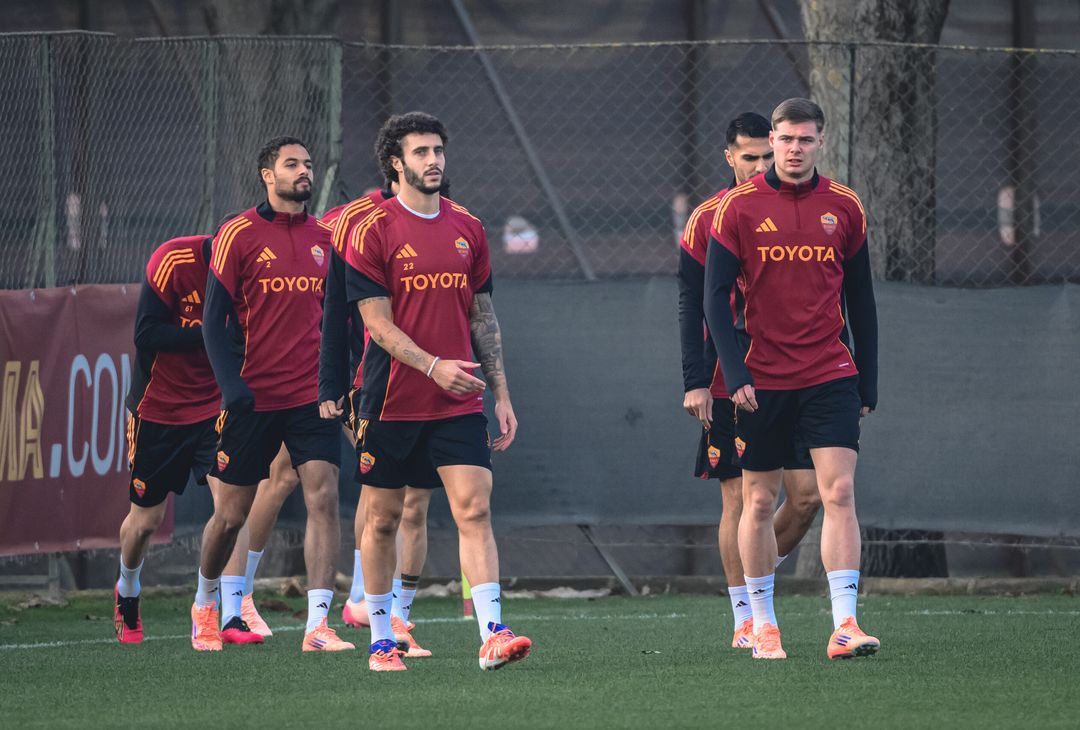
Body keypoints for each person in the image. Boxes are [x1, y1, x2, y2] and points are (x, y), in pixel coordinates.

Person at [344, 111, 531, 671]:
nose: (434, 161)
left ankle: (493, 632)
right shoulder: (371, 229)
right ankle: (381, 639)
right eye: (421, 152)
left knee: (475, 509)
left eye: (438, 150)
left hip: (459, 399)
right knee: (381, 519)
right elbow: (376, 324)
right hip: (389, 398)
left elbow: (483, 316)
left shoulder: (468, 227)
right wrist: (432, 367)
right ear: (395, 163)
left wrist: (500, 392)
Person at [704, 98, 879, 661]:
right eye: (786, 139)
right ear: (772, 141)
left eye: (806, 140)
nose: (795, 149)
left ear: (820, 142)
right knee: (758, 501)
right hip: (763, 379)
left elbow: (862, 300)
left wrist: (868, 380)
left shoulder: (845, 206)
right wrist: (735, 376)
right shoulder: (738, 208)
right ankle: (762, 624)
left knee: (840, 492)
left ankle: (845, 624)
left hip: (830, 373)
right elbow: (713, 301)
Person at [194, 136, 351, 652]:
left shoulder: (325, 237)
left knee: (323, 498)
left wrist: (339, 385)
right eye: (292, 164)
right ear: (268, 174)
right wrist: (231, 386)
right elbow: (212, 324)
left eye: (307, 164)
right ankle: (206, 604)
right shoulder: (237, 233)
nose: (303, 171)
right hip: (252, 399)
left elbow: (340, 321)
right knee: (230, 516)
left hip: (313, 397)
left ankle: (317, 627)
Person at [678, 112, 821, 650]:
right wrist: (696, 380)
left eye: (768, 154)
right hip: (728, 379)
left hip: (794, 373)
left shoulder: (797, 207)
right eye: (750, 156)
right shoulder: (708, 216)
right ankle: (746, 618)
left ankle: (758, 570)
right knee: (740, 501)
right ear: (729, 157)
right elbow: (693, 303)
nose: (761, 165)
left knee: (807, 497)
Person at [116, 232, 252, 643]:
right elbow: (146, 334)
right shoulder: (173, 259)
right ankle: (128, 592)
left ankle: (216, 609)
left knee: (231, 510)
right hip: (159, 410)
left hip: (215, 408)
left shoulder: (251, 271)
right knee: (146, 521)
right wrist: (211, 334)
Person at [319, 180, 436, 658]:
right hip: (368, 385)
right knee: (379, 496)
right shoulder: (351, 227)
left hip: (423, 385)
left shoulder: (440, 225)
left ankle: (392, 613)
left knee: (414, 502)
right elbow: (333, 316)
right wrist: (333, 383)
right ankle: (358, 604)